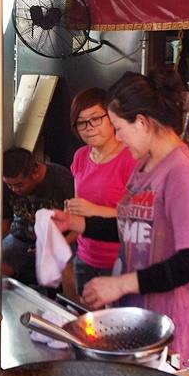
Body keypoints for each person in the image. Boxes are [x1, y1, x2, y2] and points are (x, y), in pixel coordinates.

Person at [53, 69, 189, 363]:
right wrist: (80, 224)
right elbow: (134, 227)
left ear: (142, 123)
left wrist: (122, 283)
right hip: (136, 322)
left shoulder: (184, 174)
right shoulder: (144, 169)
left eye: (118, 128)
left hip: (171, 330)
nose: (117, 137)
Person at [64, 88, 137, 295]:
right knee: (86, 320)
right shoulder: (80, 156)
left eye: (96, 119)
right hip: (85, 256)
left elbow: (138, 218)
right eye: (81, 122)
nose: (89, 128)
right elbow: (79, 213)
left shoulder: (130, 158)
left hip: (119, 261)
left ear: (112, 118)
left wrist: (92, 209)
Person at [2, 147, 74, 287]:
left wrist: (49, 247)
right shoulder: (7, 184)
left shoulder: (61, 179)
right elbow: (4, 221)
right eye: (9, 186)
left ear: (35, 173)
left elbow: (78, 224)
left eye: (19, 185)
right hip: (20, 238)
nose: (14, 190)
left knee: (69, 274)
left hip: (60, 240)